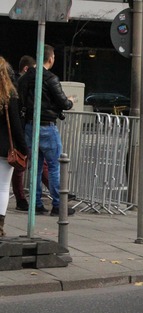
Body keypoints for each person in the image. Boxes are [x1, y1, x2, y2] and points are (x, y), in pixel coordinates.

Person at [18, 44, 74, 216]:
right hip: (47, 126)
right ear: (50, 58)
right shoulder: (50, 78)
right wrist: (70, 101)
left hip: (29, 126)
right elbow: (63, 103)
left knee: (35, 167)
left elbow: (21, 100)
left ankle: (36, 204)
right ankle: (58, 205)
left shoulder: (25, 78)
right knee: (55, 166)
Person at [0, 57, 30, 236]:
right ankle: (0, 225)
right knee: (3, 187)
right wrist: (24, 148)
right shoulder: (9, 96)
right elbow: (16, 126)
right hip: (4, 148)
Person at [11, 55, 35, 211]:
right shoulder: (20, 85)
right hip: (21, 128)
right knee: (24, 164)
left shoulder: (17, 85)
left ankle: (21, 199)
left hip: (20, 128)